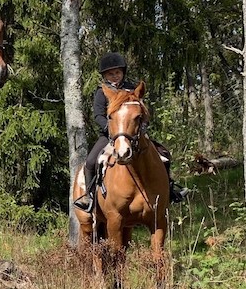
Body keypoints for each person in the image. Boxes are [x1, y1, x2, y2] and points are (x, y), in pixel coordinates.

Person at [73, 52, 187, 212]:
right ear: (105, 75)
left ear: (123, 72)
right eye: (111, 74)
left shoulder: (132, 89)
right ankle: (89, 197)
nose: (115, 76)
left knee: (164, 155)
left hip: (133, 134)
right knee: (91, 161)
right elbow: (98, 115)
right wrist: (110, 129)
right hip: (109, 135)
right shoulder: (101, 92)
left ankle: (169, 190)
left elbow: (143, 113)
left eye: (117, 72)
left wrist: (143, 127)